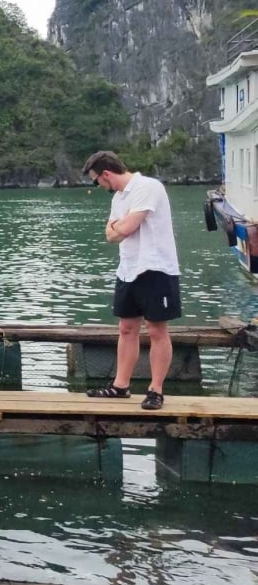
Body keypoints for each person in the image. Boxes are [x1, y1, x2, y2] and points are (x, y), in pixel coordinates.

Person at [82, 150, 181, 410]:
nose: (98, 185)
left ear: (106, 174)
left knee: (157, 330)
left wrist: (118, 228)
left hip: (155, 267)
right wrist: (118, 229)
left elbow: (124, 229)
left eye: (96, 180)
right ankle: (120, 386)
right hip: (128, 268)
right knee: (126, 328)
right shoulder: (119, 198)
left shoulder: (147, 187)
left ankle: (156, 390)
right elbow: (111, 235)